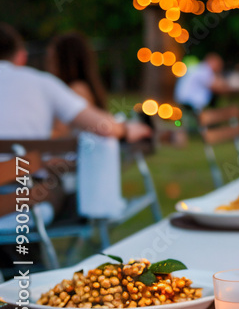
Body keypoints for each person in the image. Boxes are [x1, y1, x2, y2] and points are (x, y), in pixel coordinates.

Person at [0, 24, 150, 221]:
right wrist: (127, 129)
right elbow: (102, 127)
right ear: (20, 55)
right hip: (25, 204)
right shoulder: (42, 83)